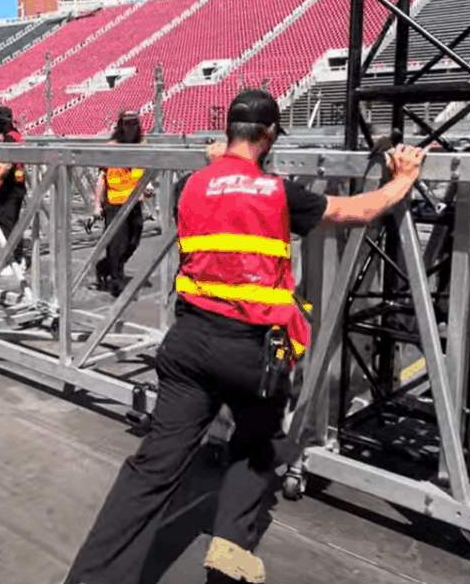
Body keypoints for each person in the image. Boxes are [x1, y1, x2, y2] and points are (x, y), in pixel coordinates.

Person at [63, 89, 428, 584]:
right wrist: (401, 179)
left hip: (189, 346)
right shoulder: (280, 193)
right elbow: (358, 210)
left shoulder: (191, 186)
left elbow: (223, 195)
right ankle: (228, 559)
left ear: (229, 134)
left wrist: (219, 161)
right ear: (269, 136)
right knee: (255, 448)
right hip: (253, 354)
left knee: (151, 471)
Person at [92, 110, 152, 296]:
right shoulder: (112, 147)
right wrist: (97, 205)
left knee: (133, 241)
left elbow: (145, 172)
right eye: (127, 123)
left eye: (134, 123)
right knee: (116, 243)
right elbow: (102, 177)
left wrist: (147, 185)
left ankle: (107, 265)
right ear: (120, 125)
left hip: (134, 202)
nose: (131, 127)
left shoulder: (142, 146)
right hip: (115, 203)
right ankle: (116, 281)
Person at [0, 106, 27, 276]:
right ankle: (12, 257)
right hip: (8, 186)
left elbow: (7, 164)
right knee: (6, 223)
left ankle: (16, 260)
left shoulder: (11, 139)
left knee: (9, 224)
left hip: (11, 187)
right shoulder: (10, 137)